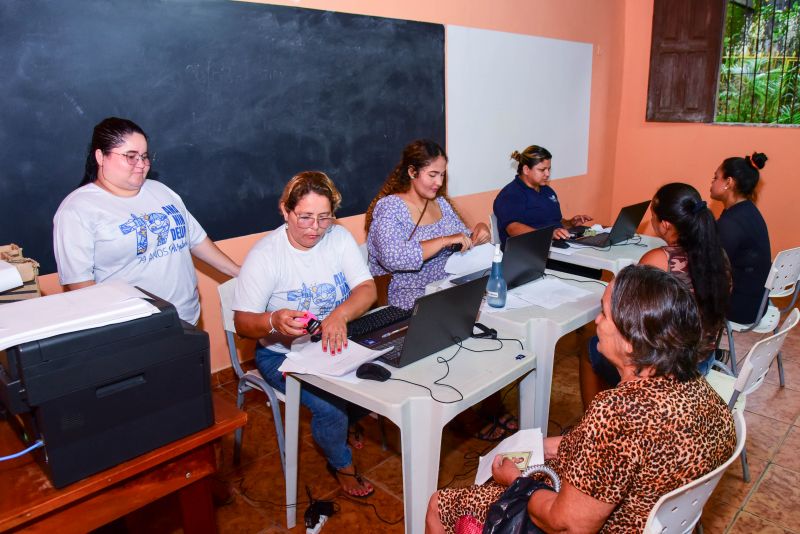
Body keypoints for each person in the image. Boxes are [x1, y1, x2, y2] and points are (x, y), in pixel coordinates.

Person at [426, 265, 737, 533]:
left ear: (630, 342)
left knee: (439, 504)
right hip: (648, 518)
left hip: (599, 523)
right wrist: (556, 446)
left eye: (604, 313)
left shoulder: (617, 412)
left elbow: (566, 525)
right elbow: (626, 454)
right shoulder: (704, 392)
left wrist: (517, 481)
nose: (597, 321)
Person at [233, 171, 377, 497]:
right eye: (305, 217)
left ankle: (345, 425)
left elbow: (367, 289)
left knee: (378, 374)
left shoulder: (337, 238)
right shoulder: (267, 256)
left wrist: (340, 315)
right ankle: (341, 464)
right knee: (330, 408)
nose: (315, 228)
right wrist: (273, 320)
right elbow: (242, 322)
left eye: (324, 218)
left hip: (332, 340)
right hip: (281, 355)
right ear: (285, 210)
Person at [53, 117, 240, 324]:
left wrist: (238, 272)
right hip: (134, 330)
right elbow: (80, 285)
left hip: (188, 318)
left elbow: (196, 240)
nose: (141, 165)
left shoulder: (160, 191)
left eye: (144, 156)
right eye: (131, 156)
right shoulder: (77, 209)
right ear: (100, 156)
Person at [580, 183, 730, 408]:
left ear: (666, 225)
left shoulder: (657, 260)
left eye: (653, 217)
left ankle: (596, 420)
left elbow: (625, 311)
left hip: (668, 373)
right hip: (704, 360)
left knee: (591, 348)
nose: (651, 222)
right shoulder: (719, 256)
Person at [365, 139, 491, 310]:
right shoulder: (390, 207)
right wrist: (443, 241)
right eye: (432, 175)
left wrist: (480, 229)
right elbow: (392, 257)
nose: (439, 182)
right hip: (414, 299)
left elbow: (462, 237)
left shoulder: (440, 203)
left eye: (442, 174)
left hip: (449, 288)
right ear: (412, 172)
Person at [710, 152, 771, 325]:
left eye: (716, 178)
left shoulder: (732, 222)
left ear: (728, 182)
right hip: (758, 301)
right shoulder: (746, 210)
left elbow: (712, 266)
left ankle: (702, 350)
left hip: (741, 307)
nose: (712, 182)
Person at [493, 145, 592, 248]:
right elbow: (513, 229)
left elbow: (554, 222)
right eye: (542, 170)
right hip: (529, 253)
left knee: (595, 240)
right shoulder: (511, 194)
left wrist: (570, 223)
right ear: (526, 169)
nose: (547, 174)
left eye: (549, 169)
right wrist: (548, 235)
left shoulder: (547, 191)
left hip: (554, 247)